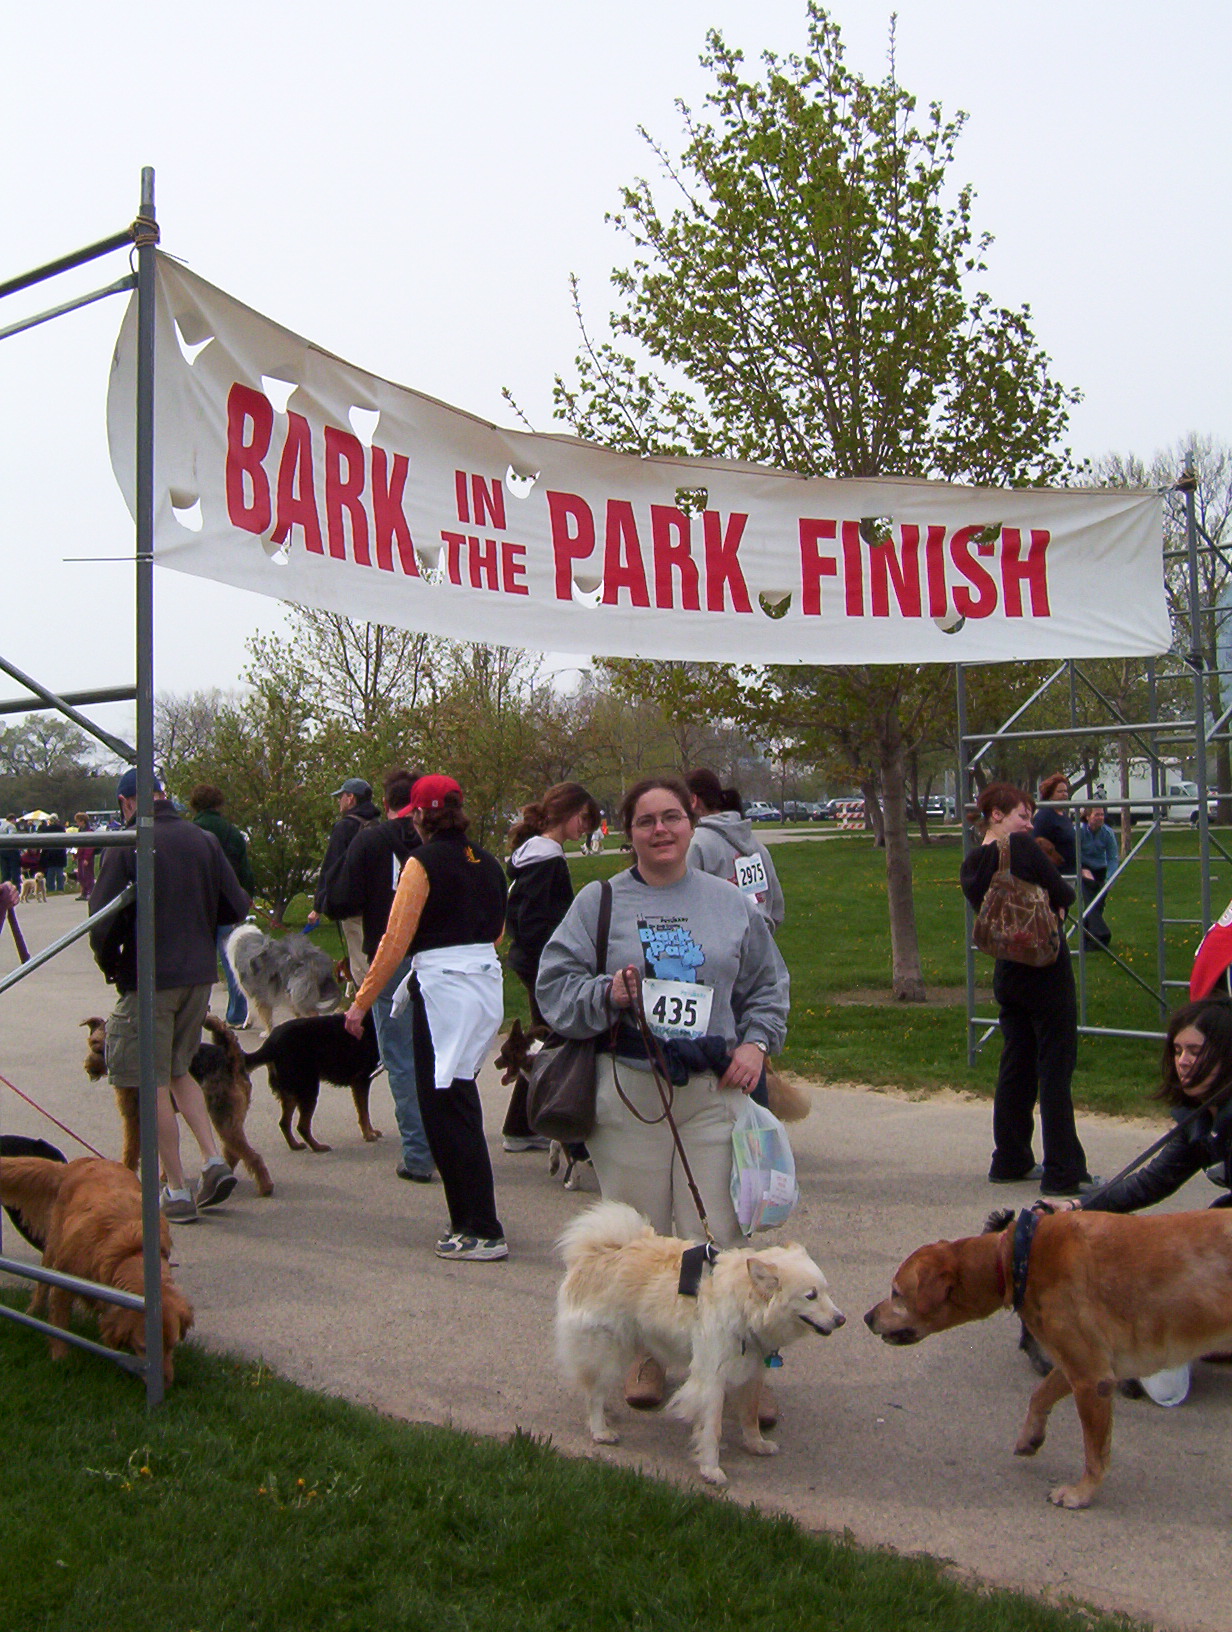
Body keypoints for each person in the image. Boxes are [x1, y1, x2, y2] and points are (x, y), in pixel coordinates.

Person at [537, 774, 789, 1408]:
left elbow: (767, 985)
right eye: (646, 821)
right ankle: (646, 1359)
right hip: (629, 1093)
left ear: (692, 822)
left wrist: (756, 1044)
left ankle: (740, 1371)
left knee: (721, 1236)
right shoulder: (599, 902)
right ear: (629, 833)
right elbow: (554, 987)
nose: (661, 831)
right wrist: (608, 994)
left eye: (672, 817)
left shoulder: (730, 904)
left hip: (712, 1092)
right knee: (640, 1243)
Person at [344, 776, 507, 1260]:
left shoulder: (421, 863)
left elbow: (394, 941)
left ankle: (481, 1228)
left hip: (443, 994)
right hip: (482, 990)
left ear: (416, 815)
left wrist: (362, 1000)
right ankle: (470, 1219)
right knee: (459, 1101)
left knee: (445, 1108)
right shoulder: (490, 862)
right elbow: (498, 931)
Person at [89, 769, 251, 1223]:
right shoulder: (203, 839)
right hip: (198, 974)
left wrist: (112, 966)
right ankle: (212, 1160)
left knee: (151, 1081)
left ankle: (177, 1189)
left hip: (150, 977)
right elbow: (237, 905)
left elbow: (102, 920)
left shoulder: (129, 843)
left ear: (126, 802)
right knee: (180, 1071)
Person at [1054, 999, 1232, 1405]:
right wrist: (1079, 1209)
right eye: (1178, 1050)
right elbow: (1151, 1182)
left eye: (1196, 1052)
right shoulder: (1203, 1116)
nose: (1183, 1062)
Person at [960, 782, 1097, 1198]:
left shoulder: (972, 864)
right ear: (996, 815)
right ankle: (1062, 1170)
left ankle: (1010, 1157)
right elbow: (1066, 893)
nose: (1029, 823)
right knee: (1055, 1067)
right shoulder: (1023, 848)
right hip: (1045, 968)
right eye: (1023, 814)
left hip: (1008, 972)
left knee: (1016, 1062)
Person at [328, 767, 434, 1184]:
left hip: (390, 957)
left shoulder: (370, 840)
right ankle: (444, 1142)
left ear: (387, 803)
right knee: (437, 1055)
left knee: (401, 1059)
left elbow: (340, 899)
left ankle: (418, 1152)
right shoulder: (440, 842)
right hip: (437, 957)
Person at [501, 781, 599, 1151]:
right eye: (584, 819)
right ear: (568, 814)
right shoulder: (548, 858)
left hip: (531, 958)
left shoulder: (533, 854)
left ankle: (522, 1125)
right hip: (543, 961)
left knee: (545, 1037)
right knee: (551, 1040)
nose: (585, 829)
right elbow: (540, 920)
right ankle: (527, 1125)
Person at [685, 768, 784, 934]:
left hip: (719, 950)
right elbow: (777, 909)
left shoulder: (696, 846)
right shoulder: (757, 846)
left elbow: (686, 904)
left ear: (693, 800)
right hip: (761, 947)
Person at [189, 785, 257, 1027]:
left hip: (196, 906)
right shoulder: (233, 833)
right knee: (232, 964)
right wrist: (247, 896)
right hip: (227, 904)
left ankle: (196, 1012)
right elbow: (245, 872)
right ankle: (236, 1014)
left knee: (195, 961)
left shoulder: (191, 831)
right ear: (219, 804)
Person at [304, 776, 381, 981]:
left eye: (341, 797)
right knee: (376, 958)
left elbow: (331, 867)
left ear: (350, 798)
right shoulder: (378, 826)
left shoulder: (345, 827)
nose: (339, 801)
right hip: (377, 905)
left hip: (352, 906)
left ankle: (367, 1009)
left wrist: (318, 906)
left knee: (360, 963)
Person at [1079, 805, 1117, 946]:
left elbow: (1112, 857)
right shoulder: (1079, 831)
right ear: (1088, 817)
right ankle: (1103, 935)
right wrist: (1082, 869)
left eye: (1102, 814)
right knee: (1091, 902)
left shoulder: (1107, 833)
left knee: (1098, 905)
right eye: (1097, 815)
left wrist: (1110, 878)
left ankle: (1088, 940)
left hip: (1101, 869)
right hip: (1084, 869)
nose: (1100, 817)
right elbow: (1072, 853)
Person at [1032, 772, 1076, 875]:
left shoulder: (1064, 815)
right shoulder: (1044, 817)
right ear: (1050, 794)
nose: (1064, 794)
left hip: (1070, 872)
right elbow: (1037, 846)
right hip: (1054, 875)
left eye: (1065, 791)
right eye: (1060, 791)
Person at [72, 811, 96, 901]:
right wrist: (75, 855)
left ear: (83, 821)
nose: (77, 823)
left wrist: (87, 858)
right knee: (81, 875)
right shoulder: (80, 831)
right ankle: (84, 892)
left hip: (86, 858)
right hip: (80, 857)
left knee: (88, 875)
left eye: (78, 821)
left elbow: (89, 847)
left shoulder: (89, 832)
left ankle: (90, 892)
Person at [41, 816, 67, 894]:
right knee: (59, 872)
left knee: (50, 873)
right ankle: (60, 888)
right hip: (60, 853)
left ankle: (50, 889)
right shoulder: (61, 829)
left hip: (50, 853)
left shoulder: (46, 830)